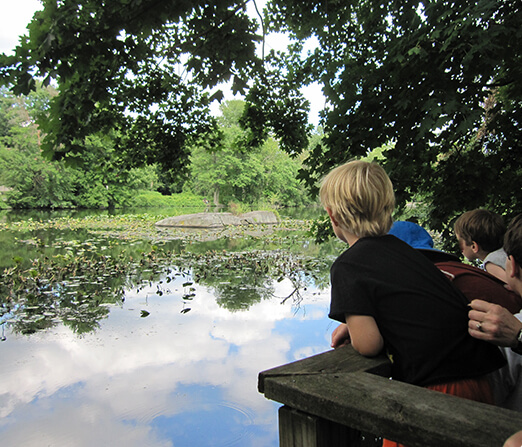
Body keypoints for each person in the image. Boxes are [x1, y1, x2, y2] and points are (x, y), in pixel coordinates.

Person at [321, 160, 506, 447]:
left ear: (332, 216)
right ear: (387, 208)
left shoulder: (348, 266)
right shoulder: (408, 252)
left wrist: (359, 328)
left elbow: (368, 344)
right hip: (482, 380)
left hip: (438, 393)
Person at [454, 209, 508, 282]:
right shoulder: (506, 251)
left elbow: (511, 287)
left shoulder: (491, 263)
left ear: (474, 246)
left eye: (460, 242)